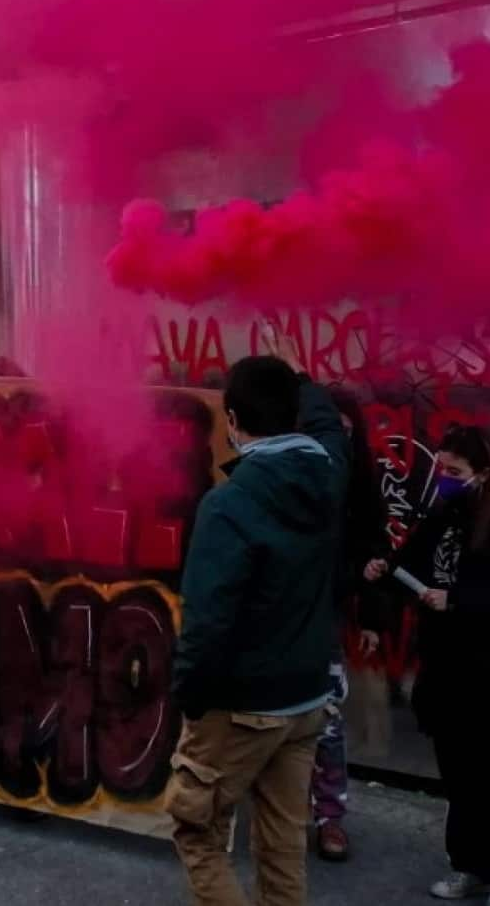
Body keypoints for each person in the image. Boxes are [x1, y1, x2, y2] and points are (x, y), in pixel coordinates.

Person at [166, 349, 347, 906]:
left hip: (243, 706)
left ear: (233, 422)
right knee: (283, 843)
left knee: (198, 831)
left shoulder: (230, 503)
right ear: (293, 416)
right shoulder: (330, 474)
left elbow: (207, 619)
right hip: (306, 698)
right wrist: (301, 379)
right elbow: (323, 425)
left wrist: (189, 696)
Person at [363, 425, 490, 906]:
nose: (443, 477)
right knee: (460, 773)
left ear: (483, 472)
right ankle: (470, 867)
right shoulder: (448, 508)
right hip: (446, 662)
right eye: (441, 467)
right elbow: (415, 563)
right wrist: (386, 572)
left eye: (454, 470)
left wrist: (458, 601)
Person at [311, 389, 387, 863]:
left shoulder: (360, 480)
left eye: (345, 427)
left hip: (327, 613)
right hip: (287, 611)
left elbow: (375, 549)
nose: (339, 436)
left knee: (327, 721)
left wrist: (372, 616)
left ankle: (330, 817)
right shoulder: (296, 474)